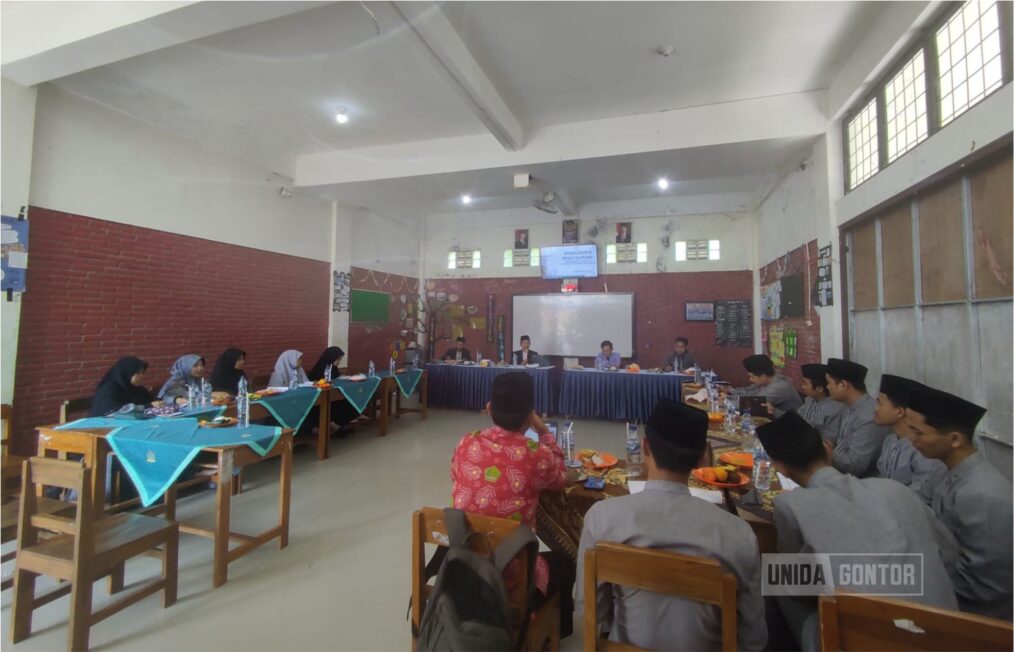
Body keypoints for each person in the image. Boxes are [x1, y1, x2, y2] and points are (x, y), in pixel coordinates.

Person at [576, 399, 766, 651]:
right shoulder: (738, 534)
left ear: (645, 447)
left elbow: (589, 608)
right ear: (702, 459)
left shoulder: (602, 518)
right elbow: (753, 638)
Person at [758, 411, 958, 650]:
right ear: (827, 448)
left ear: (779, 467)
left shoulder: (790, 504)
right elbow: (949, 553)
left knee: (774, 578)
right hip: (944, 633)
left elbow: (794, 581)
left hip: (865, 639)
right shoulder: (894, 489)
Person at [450, 372, 572, 636]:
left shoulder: (465, 443)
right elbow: (561, 478)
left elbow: (455, 477)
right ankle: (544, 635)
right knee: (565, 562)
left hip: (464, 568)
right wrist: (544, 432)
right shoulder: (536, 454)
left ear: (489, 408)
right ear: (530, 414)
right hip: (511, 578)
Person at [906, 386, 1012, 619]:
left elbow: (984, 587)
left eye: (919, 433)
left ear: (954, 439)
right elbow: (914, 504)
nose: (911, 440)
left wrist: (910, 583)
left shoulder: (984, 495)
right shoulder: (944, 470)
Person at [873, 374, 946, 504]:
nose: (875, 409)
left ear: (900, 412)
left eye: (880, 403)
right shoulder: (890, 441)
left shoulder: (921, 447)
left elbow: (921, 495)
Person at [824, 358, 890, 478]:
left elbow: (856, 466)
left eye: (829, 383)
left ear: (843, 385)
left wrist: (829, 454)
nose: (827, 387)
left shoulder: (869, 416)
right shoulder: (849, 408)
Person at [308, 346, 361, 433]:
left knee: (348, 400)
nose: (339, 362)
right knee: (340, 403)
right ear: (331, 358)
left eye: (340, 360)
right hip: (320, 396)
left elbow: (335, 378)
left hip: (333, 393)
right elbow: (323, 381)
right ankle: (335, 425)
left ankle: (342, 423)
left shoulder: (333, 368)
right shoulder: (322, 368)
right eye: (338, 359)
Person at [730, 354, 802, 417]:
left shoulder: (778, 387)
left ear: (763, 377)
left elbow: (755, 405)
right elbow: (751, 393)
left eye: (752, 377)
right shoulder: (767, 381)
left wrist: (729, 401)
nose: (750, 379)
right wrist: (731, 394)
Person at [90, 356, 158, 416]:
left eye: (143, 373)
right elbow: (112, 411)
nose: (142, 376)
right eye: (138, 373)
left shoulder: (137, 389)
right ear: (128, 373)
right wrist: (147, 406)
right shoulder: (109, 389)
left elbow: (151, 401)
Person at [796, 363, 845, 440]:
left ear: (819, 389)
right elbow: (797, 417)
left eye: (805, 383)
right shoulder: (810, 399)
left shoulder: (836, 408)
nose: (802, 386)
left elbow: (828, 440)